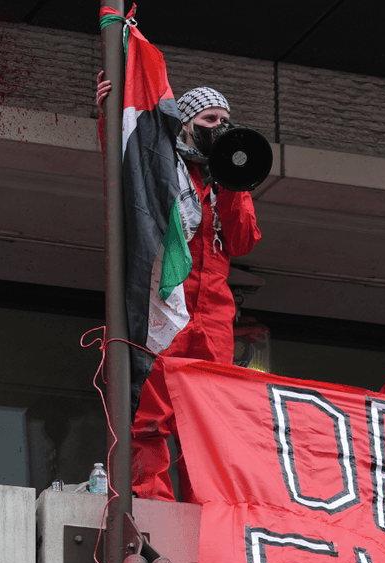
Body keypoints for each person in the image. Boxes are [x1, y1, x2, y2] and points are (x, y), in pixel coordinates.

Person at [97, 78, 262, 499]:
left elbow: (241, 240)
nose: (219, 128)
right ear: (186, 124)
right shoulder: (161, 163)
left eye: (226, 121)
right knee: (151, 412)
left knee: (208, 418)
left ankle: (202, 506)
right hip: (166, 305)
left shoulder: (226, 178)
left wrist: (234, 180)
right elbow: (124, 161)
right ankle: (153, 502)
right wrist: (108, 114)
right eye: (211, 120)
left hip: (215, 318)